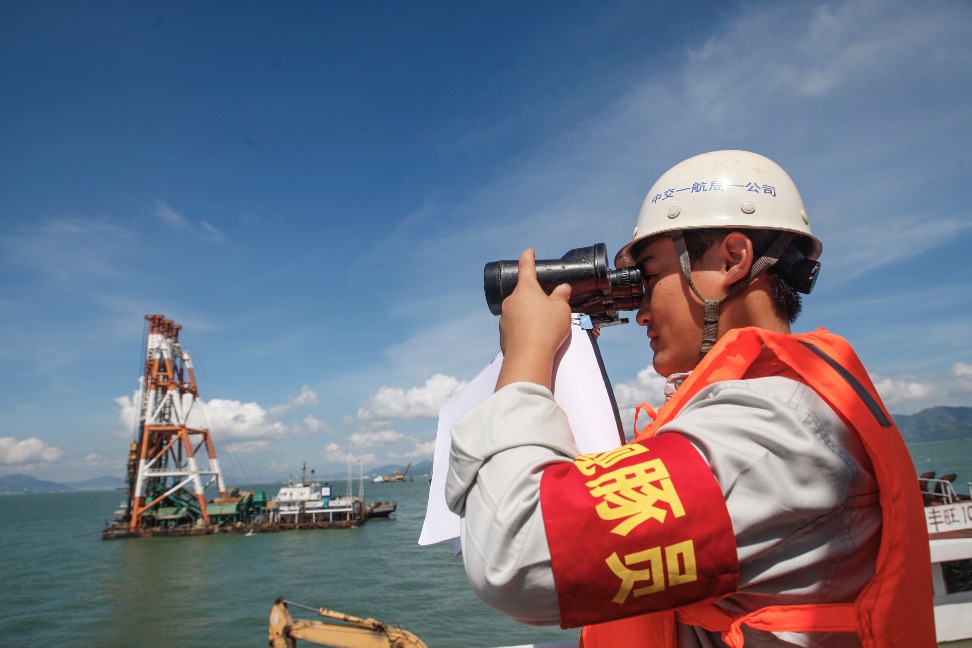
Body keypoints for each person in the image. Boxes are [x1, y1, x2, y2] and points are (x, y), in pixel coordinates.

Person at [445, 150, 934, 647]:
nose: (640, 314)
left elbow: (516, 558)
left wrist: (526, 355)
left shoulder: (778, 431)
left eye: (650, 278)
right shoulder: (772, 409)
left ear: (731, 259)